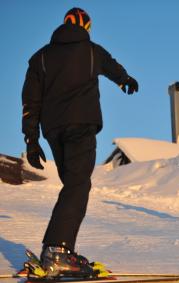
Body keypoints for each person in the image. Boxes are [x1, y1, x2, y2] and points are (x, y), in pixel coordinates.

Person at [22, 7, 139, 278]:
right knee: (78, 184)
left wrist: (31, 139)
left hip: (53, 131)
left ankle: (60, 248)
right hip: (81, 126)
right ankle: (57, 251)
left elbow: (30, 100)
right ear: (86, 26)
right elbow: (112, 67)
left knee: (73, 184)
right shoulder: (90, 50)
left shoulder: (40, 57)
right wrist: (126, 81)